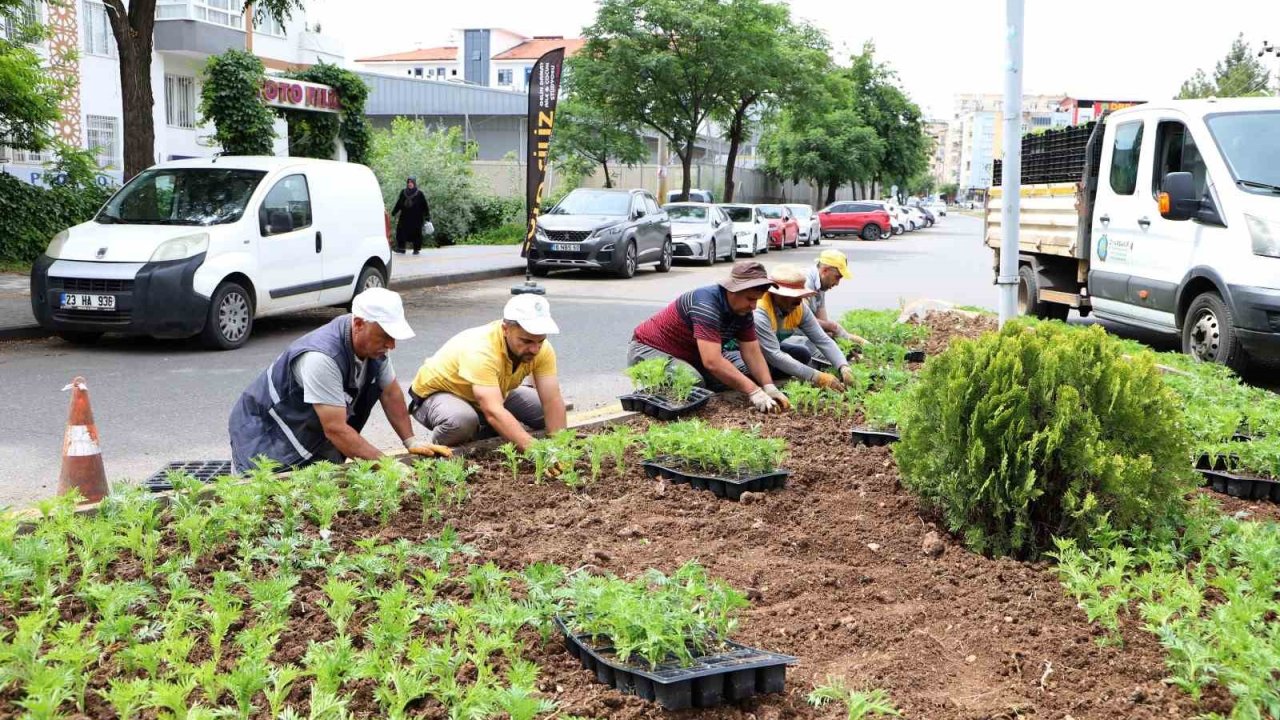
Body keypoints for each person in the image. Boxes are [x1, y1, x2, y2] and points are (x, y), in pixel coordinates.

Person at [229, 288, 448, 474]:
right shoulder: (322, 358)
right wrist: (388, 466)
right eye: (385, 336)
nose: (391, 344)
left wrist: (410, 441)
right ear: (360, 324)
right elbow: (335, 429)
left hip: (309, 433)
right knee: (269, 499)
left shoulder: (373, 348)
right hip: (265, 437)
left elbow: (390, 392)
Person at [628, 260, 791, 414]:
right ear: (733, 290)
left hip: (694, 357)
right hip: (649, 351)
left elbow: (752, 353)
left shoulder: (744, 311)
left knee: (751, 373)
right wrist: (754, 391)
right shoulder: (706, 304)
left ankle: (702, 384)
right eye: (750, 299)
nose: (754, 306)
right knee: (692, 382)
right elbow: (712, 361)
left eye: (757, 300)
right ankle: (652, 394)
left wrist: (768, 387)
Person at [408, 294, 567, 452]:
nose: (535, 349)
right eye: (526, 341)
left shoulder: (542, 349)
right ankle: (442, 449)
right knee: (461, 422)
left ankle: (491, 429)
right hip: (439, 395)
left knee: (542, 413)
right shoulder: (482, 349)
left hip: (491, 391)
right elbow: (493, 410)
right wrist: (535, 450)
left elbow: (552, 400)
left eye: (540, 341)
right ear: (506, 329)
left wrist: (560, 449)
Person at [755, 264, 857, 390]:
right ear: (777, 295)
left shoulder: (799, 308)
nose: (799, 301)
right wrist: (816, 376)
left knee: (802, 355)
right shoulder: (760, 310)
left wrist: (843, 366)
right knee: (755, 366)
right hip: (741, 351)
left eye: (800, 296)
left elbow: (822, 339)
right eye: (794, 296)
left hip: (768, 349)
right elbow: (774, 355)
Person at [802, 250, 868, 346]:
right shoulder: (805, 282)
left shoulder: (820, 285)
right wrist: (833, 327)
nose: (837, 283)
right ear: (825, 270)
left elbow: (825, 328)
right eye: (837, 277)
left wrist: (860, 342)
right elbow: (802, 320)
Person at [390, 177, 431, 255]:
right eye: (408, 182)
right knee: (401, 231)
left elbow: (424, 206)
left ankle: (416, 249)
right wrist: (394, 212)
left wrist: (427, 217)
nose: (410, 184)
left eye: (411, 182)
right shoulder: (403, 192)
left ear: (414, 183)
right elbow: (399, 203)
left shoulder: (419, 194)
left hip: (417, 218)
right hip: (405, 217)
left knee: (416, 233)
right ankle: (401, 248)